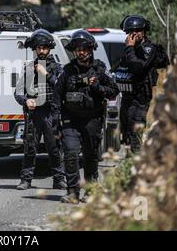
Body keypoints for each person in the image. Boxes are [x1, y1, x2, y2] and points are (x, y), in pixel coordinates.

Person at [52, 30, 119, 203]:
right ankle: (72, 192)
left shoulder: (100, 69)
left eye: (84, 49)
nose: (81, 52)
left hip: (92, 119)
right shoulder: (67, 71)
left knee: (90, 156)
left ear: (90, 49)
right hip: (70, 120)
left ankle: (90, 190)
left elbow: (114, 91)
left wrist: (98, 87)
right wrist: (56, 122)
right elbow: (57, 97)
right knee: (71, 154)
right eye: (77, 49)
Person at [14, 29, 66, 190]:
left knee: (54, 148)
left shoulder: (57, 67)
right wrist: (26, 100)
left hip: (51, 113)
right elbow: (17, 92)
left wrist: (46, 73)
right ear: (35, 49)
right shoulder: (29, 68)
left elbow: (62, 87)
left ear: (49, 48)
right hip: (34, 114)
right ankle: (26, 180)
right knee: (30, 147)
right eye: (39, 48)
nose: (41, 51)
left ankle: (59, 179)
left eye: (44, 47)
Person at [115, 15, 169, 154]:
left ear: (144, 31)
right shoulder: (129, 49)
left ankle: (137, 161)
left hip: (140, 97)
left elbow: (138, 67)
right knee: (126, 131)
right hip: (127, 96)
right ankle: (129, 161)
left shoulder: (149, 49)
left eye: (138, 30)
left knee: (135, 131)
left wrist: (130, 48)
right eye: (131, 31)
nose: (134, 34)